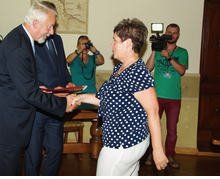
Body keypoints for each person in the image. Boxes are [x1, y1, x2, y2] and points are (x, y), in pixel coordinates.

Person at [0, 1, 79, 176]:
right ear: (35, 23)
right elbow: (30, 94)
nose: (52, 31)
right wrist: (62, 104)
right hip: (5, 127)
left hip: (9, 125)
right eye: (49, 26)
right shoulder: (19, 47)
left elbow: (22, 84)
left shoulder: (22, 39)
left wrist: (38, 88)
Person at [72, 18, 168, 176]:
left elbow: (153, 111)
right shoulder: (120, 68)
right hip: (122, 143)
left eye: (115, 40)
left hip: (123, 145)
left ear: (128, 43)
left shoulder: (137, 71)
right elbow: (103, 99)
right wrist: (78, 98)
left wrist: (158, 150)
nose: (111, 45)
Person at [24, 1, 74, 176]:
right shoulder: (30, 41)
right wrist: (40, 87)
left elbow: (62, 68)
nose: (52, 29)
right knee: (34, 153)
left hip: (57, 106)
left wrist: (68, 82)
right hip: (37, 106)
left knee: (55, 151)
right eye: (50, 24)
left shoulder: (57, 40)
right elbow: (26, 73)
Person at [145, 23, 188, 169]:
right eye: (169, 32)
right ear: (165, 33)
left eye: (175, 33)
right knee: (152, 126)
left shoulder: (182, 52)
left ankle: (170, 155)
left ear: (178, 35)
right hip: (156, 96)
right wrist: (154, 50)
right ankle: (150, 154)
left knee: (171, 129)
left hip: (173, 97)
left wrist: (169, 57)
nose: (172, 35)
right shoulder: (159, 50)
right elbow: (148, 68)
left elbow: (181, 70)